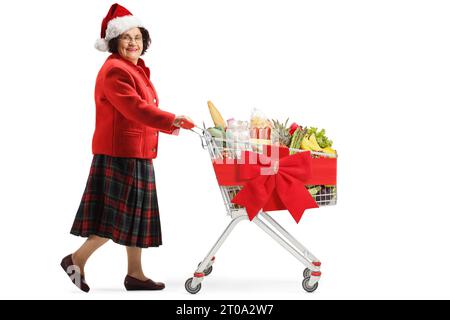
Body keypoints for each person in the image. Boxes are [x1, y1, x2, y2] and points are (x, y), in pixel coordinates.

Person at [60, 3, 194, 292]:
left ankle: (135, 273)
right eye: (126, 37)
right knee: (115, 217)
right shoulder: (114, 71)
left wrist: (169, 123)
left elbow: (141, 108)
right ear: (113, 41)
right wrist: (174, 120)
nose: (133, 43)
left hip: (137, 151)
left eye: (138, 37)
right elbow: (136, 109)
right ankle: (76, 259)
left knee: (134, 216)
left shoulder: (134, 69)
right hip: (120, 153)